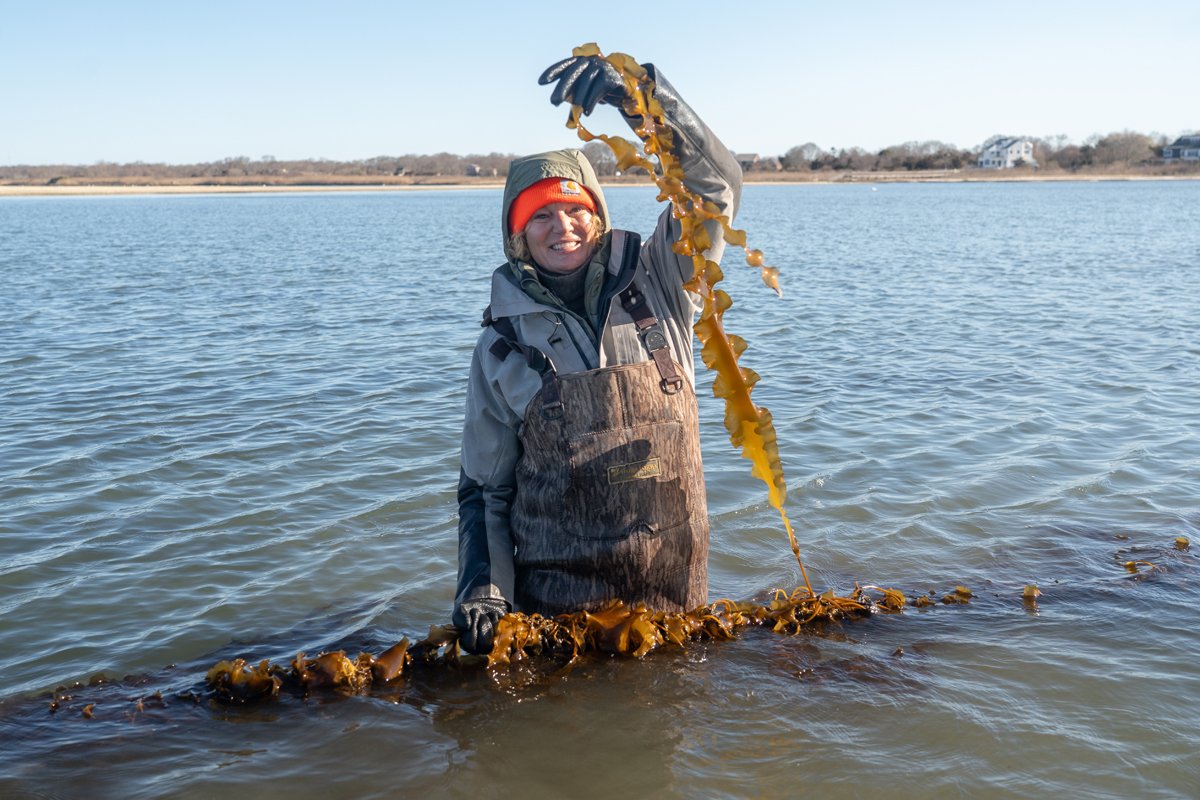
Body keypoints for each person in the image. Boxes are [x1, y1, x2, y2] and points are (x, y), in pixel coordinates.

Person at [453, 54, 742, 654]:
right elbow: (486, 491)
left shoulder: (664, 276)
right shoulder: (500, 345)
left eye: (575, 209)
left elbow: (715, 189)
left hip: (677, 602)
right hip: (555, 623)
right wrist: (483, 590)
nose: (563, 226)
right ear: (518, 234)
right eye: (542, 216)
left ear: (598, 216)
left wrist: (644, 101)